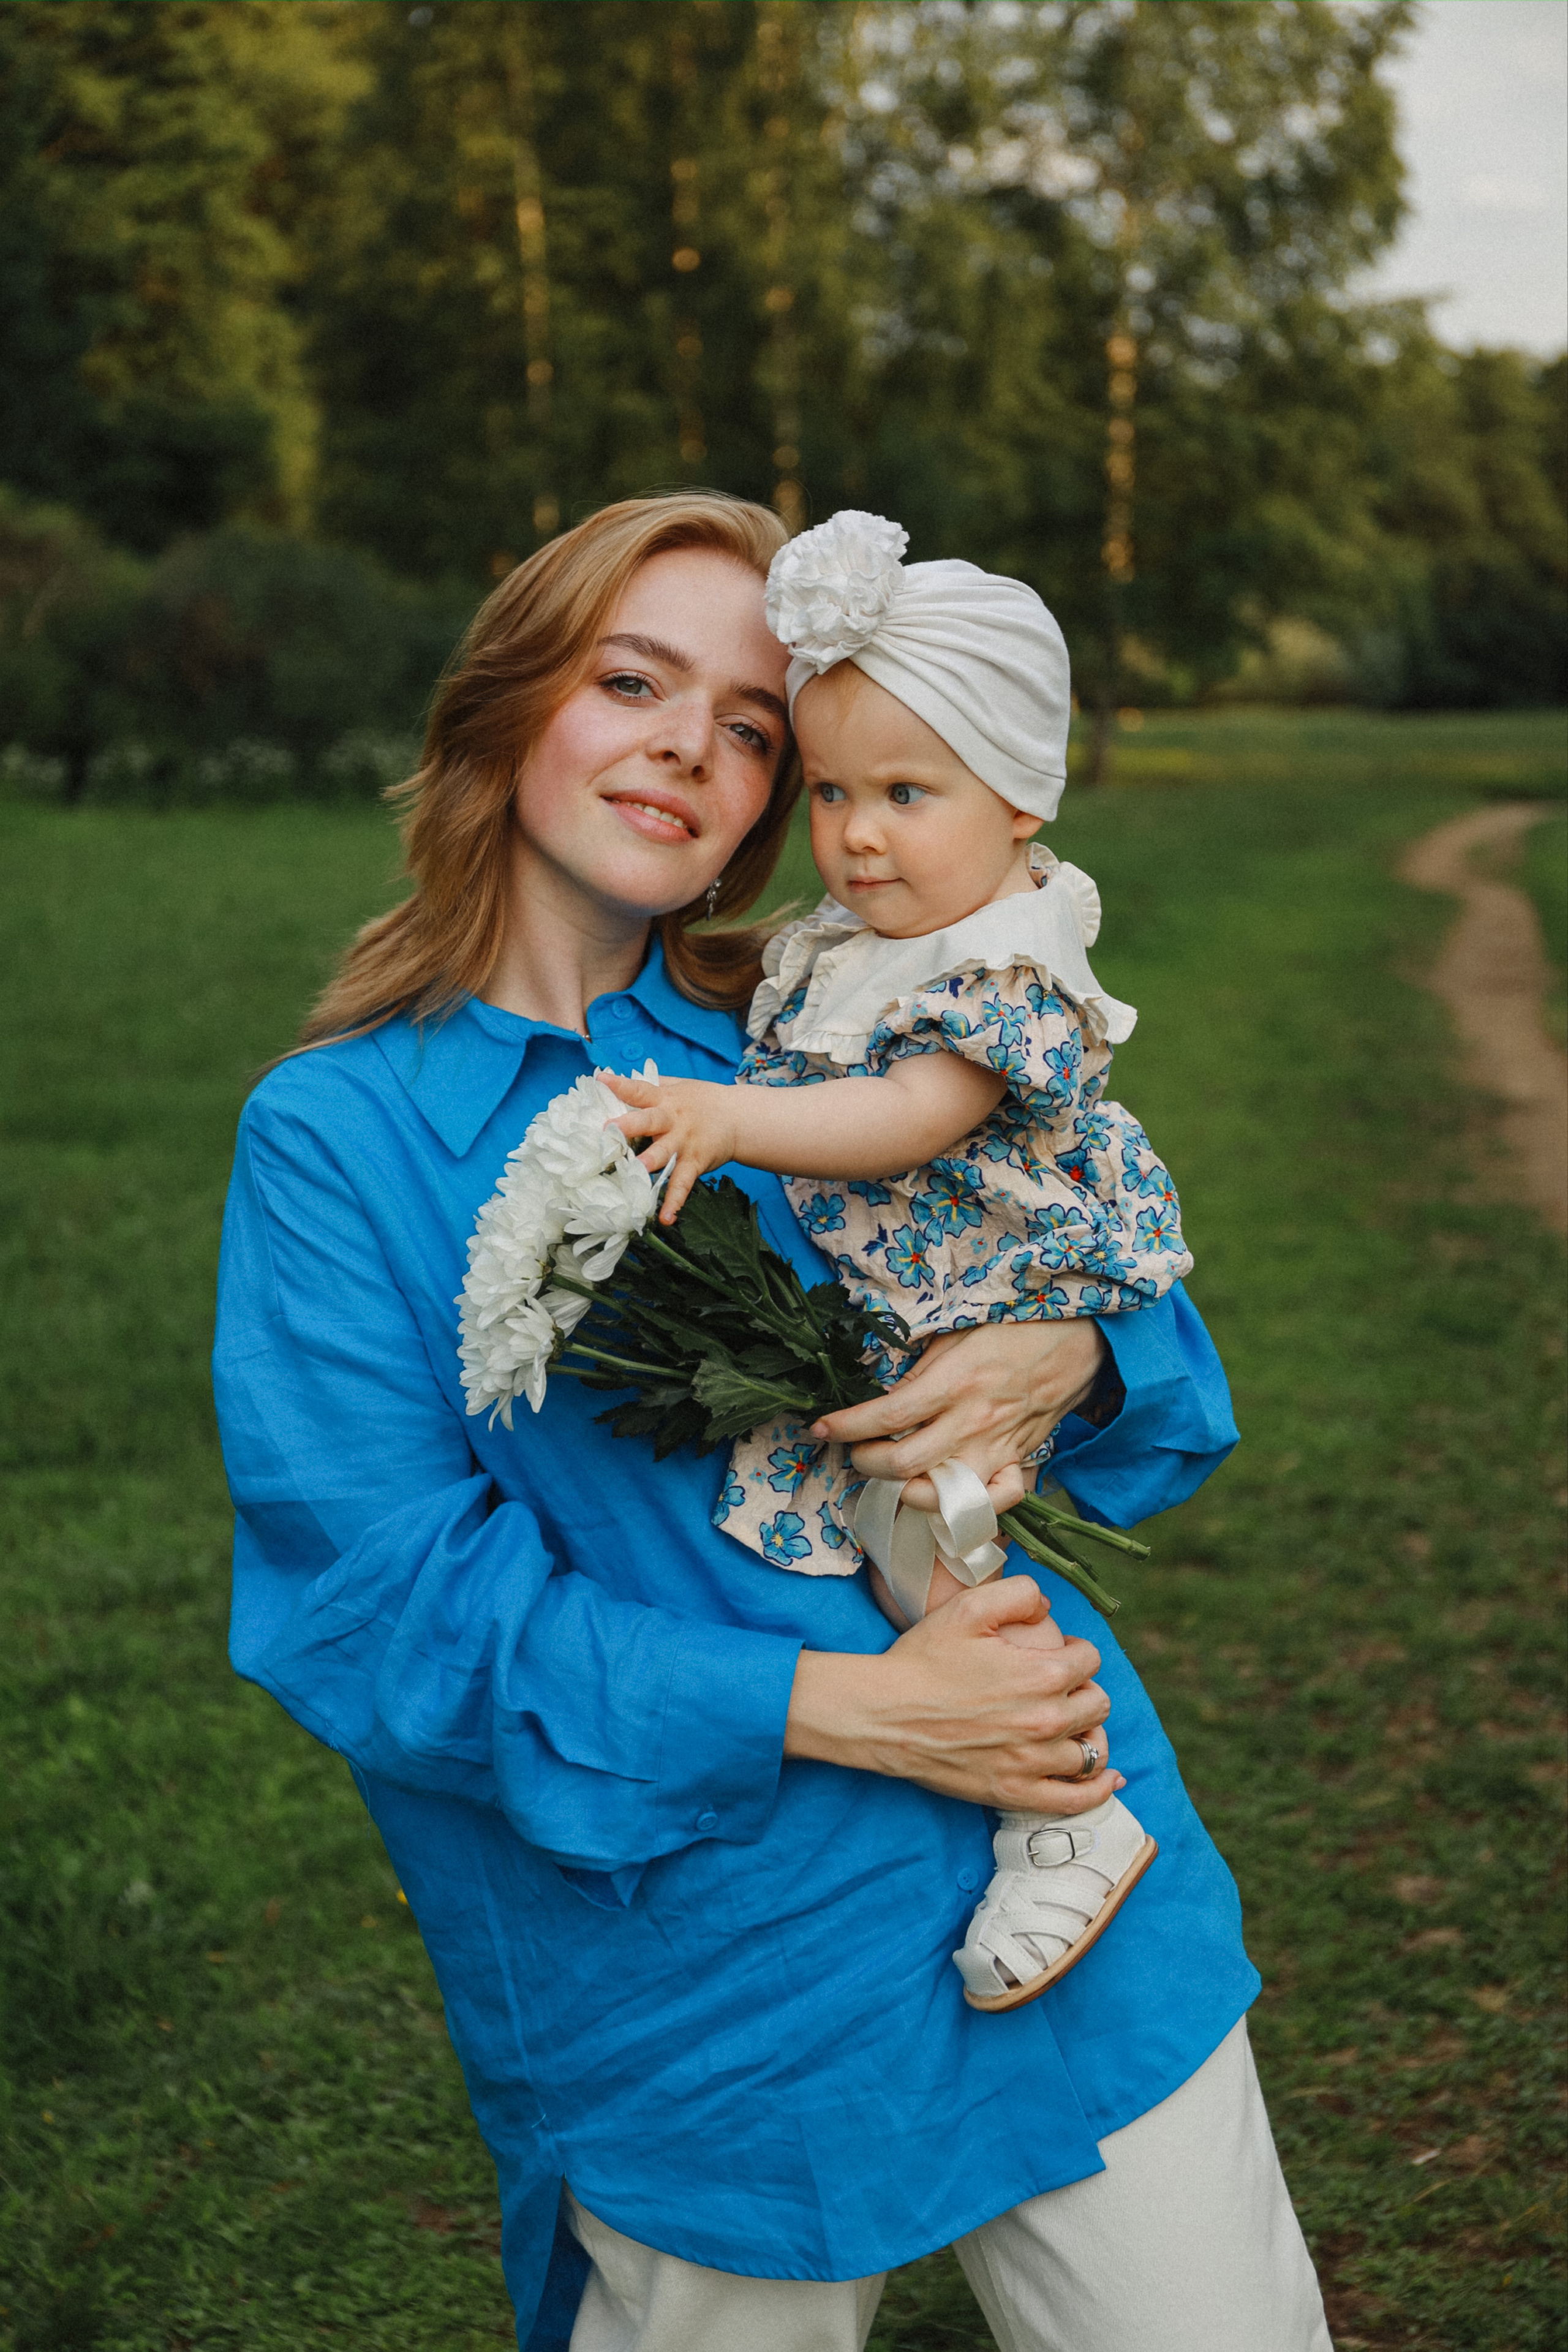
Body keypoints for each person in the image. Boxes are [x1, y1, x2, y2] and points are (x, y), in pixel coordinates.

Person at [212, 490, 1332, 2352]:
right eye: (630, 682)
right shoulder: (338, 1140)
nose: (688, 750)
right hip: (702, 1974)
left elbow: (1142, 1348)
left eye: (748, 728)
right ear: (507, 701)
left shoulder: (834, 1021)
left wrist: (1069, 1347)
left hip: (1061, 1857)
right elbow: (385, 1617)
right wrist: (858, 1711)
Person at [601, 510, 1187, 2015]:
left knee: (927, 1549)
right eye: (833, 793)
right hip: (914, 1314)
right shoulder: (872, 937)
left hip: (981, 1293)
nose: (857, 835)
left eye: (905, 794)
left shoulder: (998, 965)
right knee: (909, 1545)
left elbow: (911, 1117)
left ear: (1018, 799)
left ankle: (1067, 1806)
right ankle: (1044, 1782)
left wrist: (730, 1118)